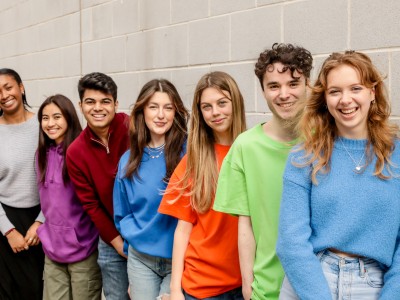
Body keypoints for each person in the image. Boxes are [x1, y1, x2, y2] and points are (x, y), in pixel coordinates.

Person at [277, 51, 400, 300]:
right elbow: (291, 241)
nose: (345, 100)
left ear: (372, 92)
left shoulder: (396, 156)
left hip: (374, 285)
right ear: (325, 99)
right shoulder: (304, 157)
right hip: (309, 280)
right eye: (335, 91)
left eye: (355, 88)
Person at [213, 43, 313, 300]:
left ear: (308, 85)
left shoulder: (325, 141)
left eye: (293, 83)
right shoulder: (245, 146)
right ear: (263, 91)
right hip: (267, 288)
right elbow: (245, 223)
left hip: (320, 285)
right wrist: (248, 284)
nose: (284, 94)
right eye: (273, 86)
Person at [159, 71, 247, 300]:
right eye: (206, 106)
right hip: (202, 288)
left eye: (222, 103)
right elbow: (183, 229)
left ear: (235, 103)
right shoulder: (194, 160)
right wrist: (175, 289)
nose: (215, 112)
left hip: (247, 282)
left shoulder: (251, 151)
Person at [113, 79, 189, 299]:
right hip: (141, 261)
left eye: (168, 108)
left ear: (176, 113)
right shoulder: (128, 160)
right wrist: (133, 268)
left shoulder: (190, 153)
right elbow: (122, 214)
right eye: (153, 107)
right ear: (142, 111)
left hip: (180, 259)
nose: (161, 115)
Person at [66, 72, 130, 300]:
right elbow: (91, 205)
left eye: (105, 101)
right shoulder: (75, 152)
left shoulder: (132, 127)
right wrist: (118, 244)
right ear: (81, 105)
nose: (98, 108)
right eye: (90, 102)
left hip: (147, 233)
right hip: (111, 238)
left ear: (116, 104)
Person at [36, 94, 102, 300]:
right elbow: (49, 202)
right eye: (45, 118)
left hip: (83, 249)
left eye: (57, 117)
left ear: (69, 117)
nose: (50, 123)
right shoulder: (41, 155)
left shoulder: (82, 152)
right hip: (52, 251)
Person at [0, 68, 45, 299]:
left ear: (21, 87)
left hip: (43, 217)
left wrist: (40, 221)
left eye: (8, 87)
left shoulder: (44, 126)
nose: (4, 95)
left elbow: (60, 182)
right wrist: (8, 231)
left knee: (35, 290)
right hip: (5, 222)